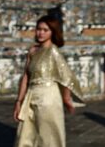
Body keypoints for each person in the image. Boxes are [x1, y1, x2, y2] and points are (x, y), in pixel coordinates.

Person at [13, 15, 83, 147]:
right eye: (39, 29)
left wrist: (67, 99)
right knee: (25, 134)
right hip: (31, 95)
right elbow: (26, 77)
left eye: (46, 30)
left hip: (49, 97)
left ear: (52, 32)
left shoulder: (54, 52)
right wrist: (18, 101)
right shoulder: (33, 51)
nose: (41, 33)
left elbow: (66, 77)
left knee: (48, 136)